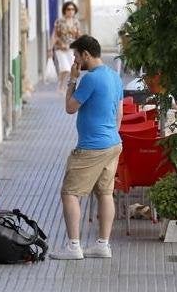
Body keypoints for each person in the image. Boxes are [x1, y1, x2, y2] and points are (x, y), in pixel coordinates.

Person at [50, 35, 123, 260]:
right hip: (113, 143)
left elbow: (70, 108)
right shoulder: (114, 76)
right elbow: (119, 113)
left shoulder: (90, 78)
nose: (75, 61)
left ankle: (74, 247)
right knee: (105, 193)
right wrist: (110, 133)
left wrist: (72, 80)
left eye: (76, 56)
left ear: (86, 55)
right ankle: (103, 244)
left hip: (91, 148)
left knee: (69, 193)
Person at [51, 1, 82, 93]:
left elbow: (78, 36)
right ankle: (61, 86)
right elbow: (55, 35)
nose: (70, 11)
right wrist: (50, 48)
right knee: (65, 68)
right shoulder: (59, 21)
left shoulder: (76, 22)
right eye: (68, 9)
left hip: (71, 49)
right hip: (60, 48)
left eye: (72, 9)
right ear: (64, 10)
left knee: (69, 69)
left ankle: (62, 86)